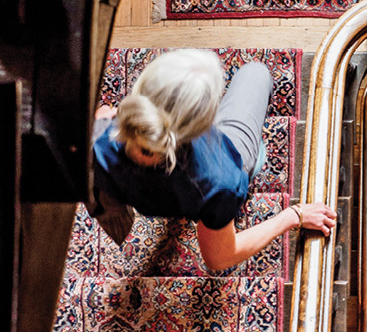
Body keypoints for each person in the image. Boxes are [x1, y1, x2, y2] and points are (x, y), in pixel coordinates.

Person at [91, 49, 336, 269]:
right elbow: (219, 259)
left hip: (146, 197)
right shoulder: (220, 181)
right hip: (209, 182)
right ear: (204, 125)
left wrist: (101, 120)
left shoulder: (91, 139)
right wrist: (293, 215)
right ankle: (254, 156)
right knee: (256, 71)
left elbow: (104, 120)